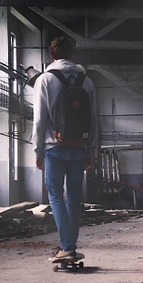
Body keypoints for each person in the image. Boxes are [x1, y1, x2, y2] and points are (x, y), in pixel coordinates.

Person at [33, 36, 98, 263]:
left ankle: (67, 247)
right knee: (73, 197)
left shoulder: (45, 79)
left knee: (55, 197)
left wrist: (37, 149)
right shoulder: (87, 82)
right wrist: (91, 151)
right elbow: (93, 120)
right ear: (72, 55)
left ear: (51, 55)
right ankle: (70, 246)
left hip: (54, 148)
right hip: (79, 148)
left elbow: (39, 119)